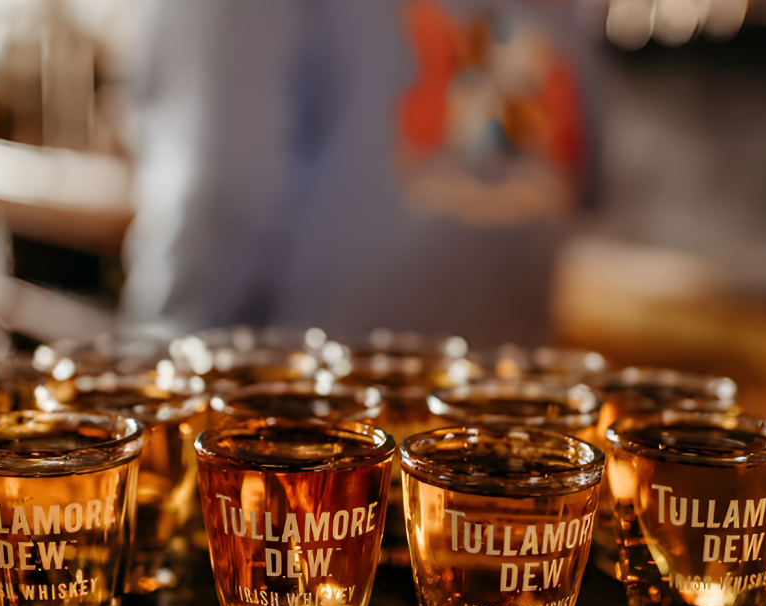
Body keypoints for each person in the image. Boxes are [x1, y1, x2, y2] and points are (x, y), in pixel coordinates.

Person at [121, 0, 593, 347]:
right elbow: (588, 171)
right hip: (515, 424)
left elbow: (222, 198)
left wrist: (149, 381)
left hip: (313, 438)